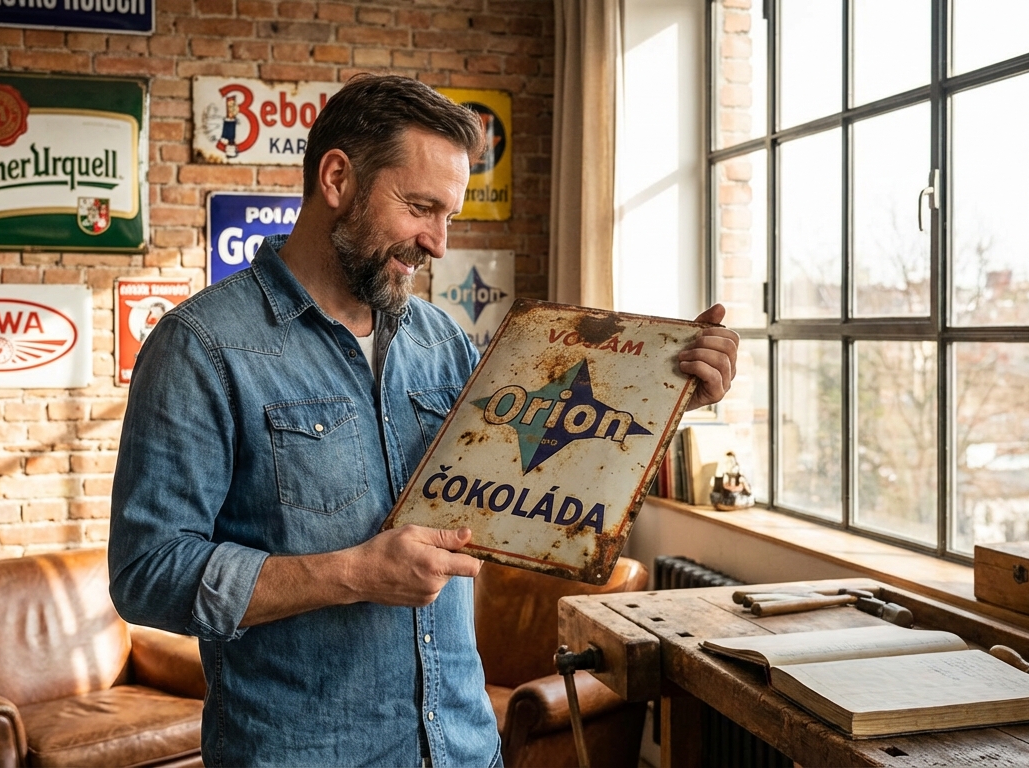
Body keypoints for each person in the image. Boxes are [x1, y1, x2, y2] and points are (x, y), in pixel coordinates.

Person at [108, 74, 739, 768]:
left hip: (463, 747)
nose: (438, 242)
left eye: (450, 216)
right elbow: (148, 573)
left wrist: (665, 399)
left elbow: (537, 467)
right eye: (420, 207)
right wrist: (353, 574)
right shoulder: (199, 347)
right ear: (339, 178)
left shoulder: (443, 341)